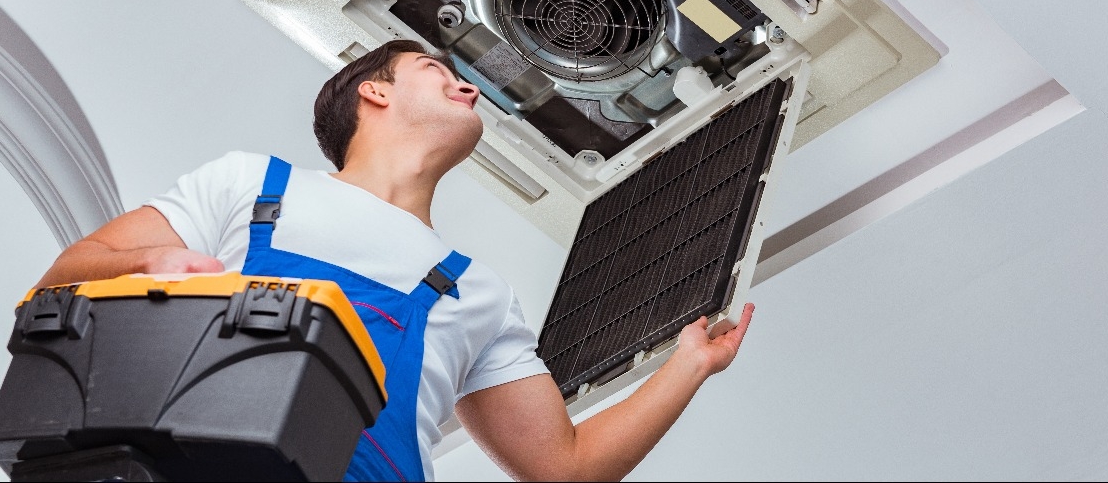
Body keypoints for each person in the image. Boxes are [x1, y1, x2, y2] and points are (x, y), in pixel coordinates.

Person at [37, 39, 756, 481]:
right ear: (372, 91)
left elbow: (563, 467)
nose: (469, 85)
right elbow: (68, 273)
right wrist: (162, 261)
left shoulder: (475, 292)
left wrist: (688, 365)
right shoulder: (252, 185)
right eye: (434, 67)